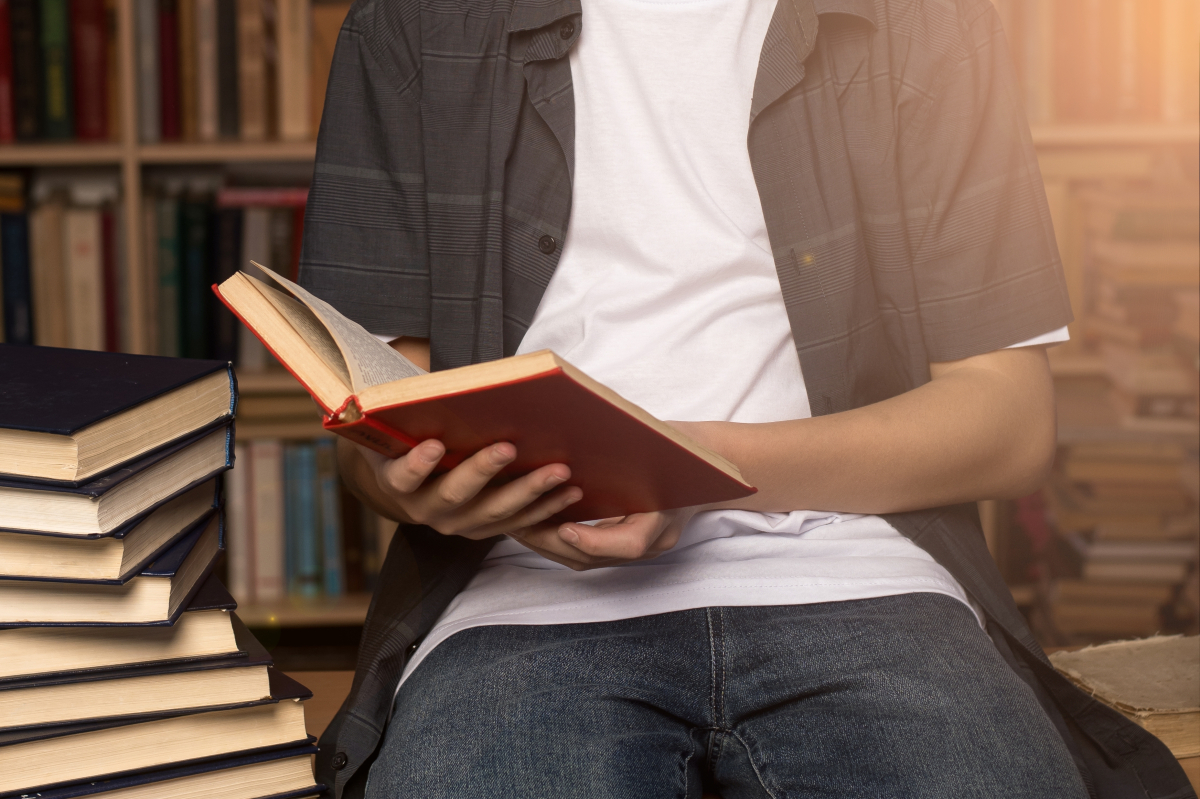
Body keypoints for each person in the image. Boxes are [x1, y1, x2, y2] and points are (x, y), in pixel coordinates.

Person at [299, 0, 1192, 796]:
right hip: (521, 601)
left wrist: (685, 466)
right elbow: (375, 429)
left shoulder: (925, 22)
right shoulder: (411, 27)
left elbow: (1010, 425)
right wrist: (422, 483)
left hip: (866, 582)